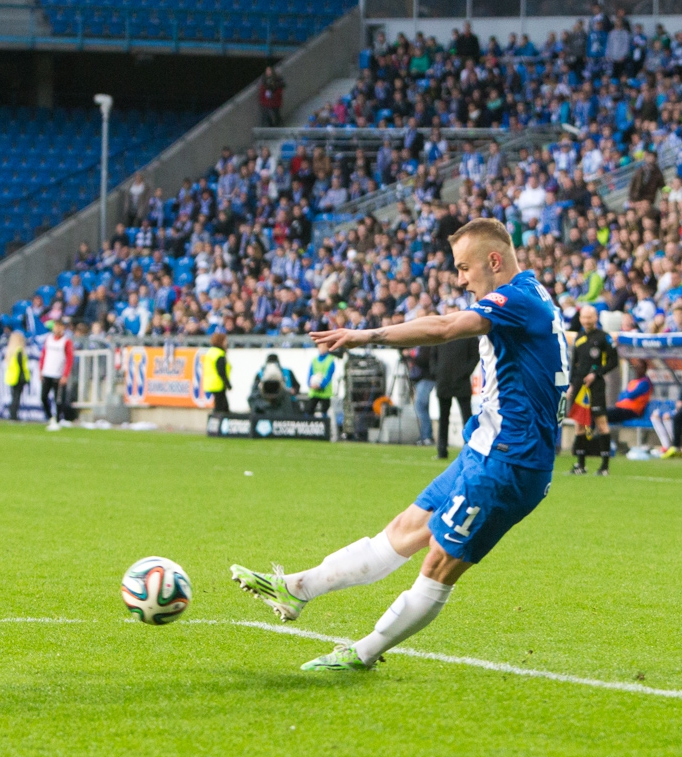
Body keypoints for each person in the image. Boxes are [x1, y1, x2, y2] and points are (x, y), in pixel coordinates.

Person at [231, 218, 568, 672]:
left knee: (438, 565)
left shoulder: (517, 299)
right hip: (485, 450)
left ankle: (362, 653)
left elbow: (446, 327)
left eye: (464, 267)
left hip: (510, 465)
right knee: (403, 530)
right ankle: (298, 588)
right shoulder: (532, 295)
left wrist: (364, 335)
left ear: (494, 260)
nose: (461, 278)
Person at [567, 305, 619, 475]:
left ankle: (604, 466)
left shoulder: (604, 338)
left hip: (595, 386)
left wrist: (596, 374)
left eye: (589, 317)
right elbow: (574, 363)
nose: (586, 321)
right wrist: (571, 385)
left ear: (596, 318)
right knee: (579, 424)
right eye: (583, 318)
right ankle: (580, 465)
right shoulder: (579, 337)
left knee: (601, 422)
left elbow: (613, 362)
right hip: (579, 386)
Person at [428, 307, 480, 460]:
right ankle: (441, 450)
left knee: (467, 418)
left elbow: (475, 356)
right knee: (443, 418)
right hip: (444, 381)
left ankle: (470, 449)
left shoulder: (468, 335)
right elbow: (433, 356)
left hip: (461, 382)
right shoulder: (441, 334)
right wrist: (437, 372)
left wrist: (464, 373)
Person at [39, 321, 74, 431]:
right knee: (43, 397)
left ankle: (58, 420)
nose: (58, 329)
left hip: (58, 374)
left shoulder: (66, 341)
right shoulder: (49, 339)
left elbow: (69, 359)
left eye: (60, 327)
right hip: (47, 372)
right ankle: (50, 418)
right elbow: (44, 355)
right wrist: (41, 370)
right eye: (56, 327)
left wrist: (65, 375)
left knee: (58, 399)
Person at [605, 358, 652, 426]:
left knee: (603, 416)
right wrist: (626, 395)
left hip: (633, 411)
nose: (638, 370)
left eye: (640, 367)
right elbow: (621, 396)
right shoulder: (633, 382)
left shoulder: (645, 382)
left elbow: (631, 395)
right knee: (601, 413)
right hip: (622, 408)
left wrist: (626, 395)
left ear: (645, 369)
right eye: (636, 367)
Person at [407, 340, 436, 446]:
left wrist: (411, 356)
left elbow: (425, 360)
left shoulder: (427, 344)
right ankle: (425, 435)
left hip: (427, 378)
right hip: (421, 379)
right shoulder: (421, 345)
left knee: (420, 406)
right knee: (422, 406)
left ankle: (426, 436)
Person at [201, 332, 232, 412]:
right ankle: (219, 423)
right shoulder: (219, 354)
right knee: (221, 407)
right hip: (218, 383)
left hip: (211, 383)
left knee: (220, 405)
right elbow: (221, 371)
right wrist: (227, 384)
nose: (226, 343)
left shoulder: (211, 352)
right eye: (225, 341)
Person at [4, 330, 30, 421]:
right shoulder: (19, 350)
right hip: (18, 377)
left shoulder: (10, 350)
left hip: (11, 377)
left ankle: (12, 415)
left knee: (13, 397)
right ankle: (14, 416)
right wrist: (25, 378)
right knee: (16, 397)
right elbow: (21, 365)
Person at [306, 341, 335, 416]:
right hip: (314, 392)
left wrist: (321, 385)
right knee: (309, 411)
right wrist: (310, 384)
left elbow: (329, 376)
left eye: (324, 346)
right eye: (320, 346)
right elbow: (310, 374)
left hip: (325, 393)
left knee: (324, 413)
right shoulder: (314, 360)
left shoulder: (330, 360)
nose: (322, 348)